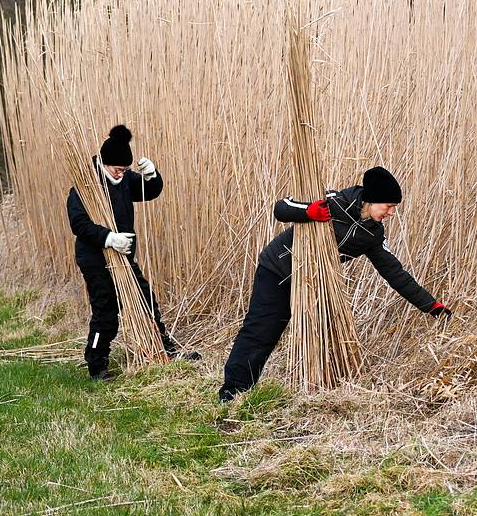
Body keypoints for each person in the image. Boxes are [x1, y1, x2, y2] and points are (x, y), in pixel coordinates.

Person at [219, 166, 451, 402]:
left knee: (319, 331)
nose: (392, 213)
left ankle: (318, 392)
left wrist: (431, 306)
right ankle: (233, 390)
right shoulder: (334, 202)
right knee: (262, 330)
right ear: (371, 200)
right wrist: (308, 212)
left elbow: (396, 274)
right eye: (388, 206)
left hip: (313, 282)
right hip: (277, 270)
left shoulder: (372, 234)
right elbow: (282, 208)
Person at [66, 125, 199, 380]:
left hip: (123, 257)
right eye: (117, 170)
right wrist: (109, 238)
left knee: (145, 299)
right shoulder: (85, 186)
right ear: (104, 164)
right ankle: (96, 364)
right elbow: (79, 224)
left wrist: (152, 176)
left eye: (126, 170)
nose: (121, 175)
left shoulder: (125, 180)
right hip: (95, 259)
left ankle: (164, 350)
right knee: (106, 311)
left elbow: (150, 192)